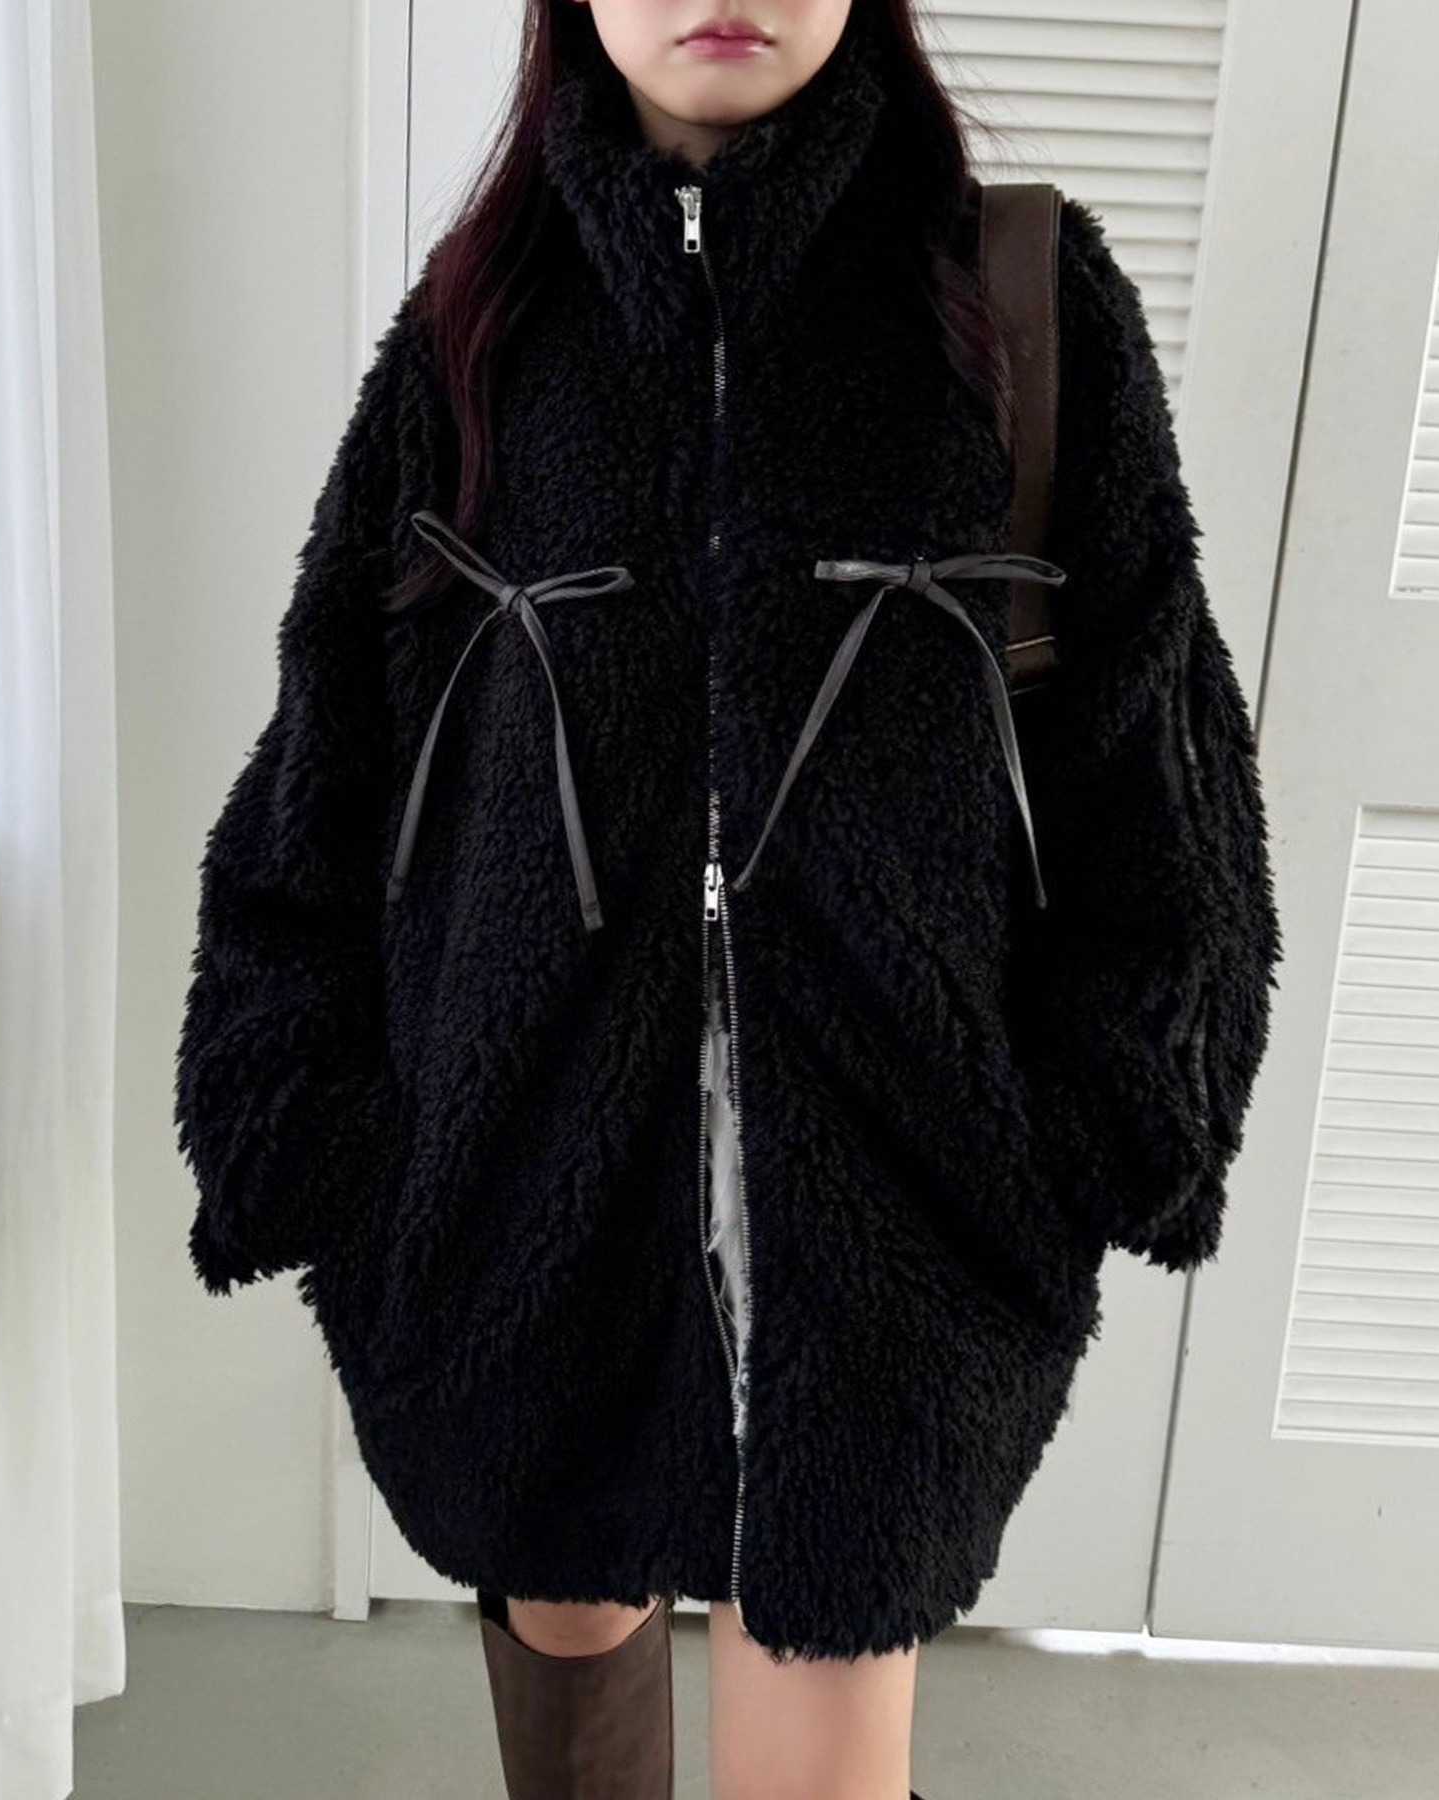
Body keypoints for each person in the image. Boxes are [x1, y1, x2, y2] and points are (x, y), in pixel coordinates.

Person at [171, 1, 1284, 1796]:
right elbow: (332, 747)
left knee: (825, 1715)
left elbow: (1153, 746)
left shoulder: (1016, 296)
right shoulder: (474, 321)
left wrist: (1101, 1123)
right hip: (520, 1194)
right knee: (565, 1634)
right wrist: (317, 1133)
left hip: (892, 1219)